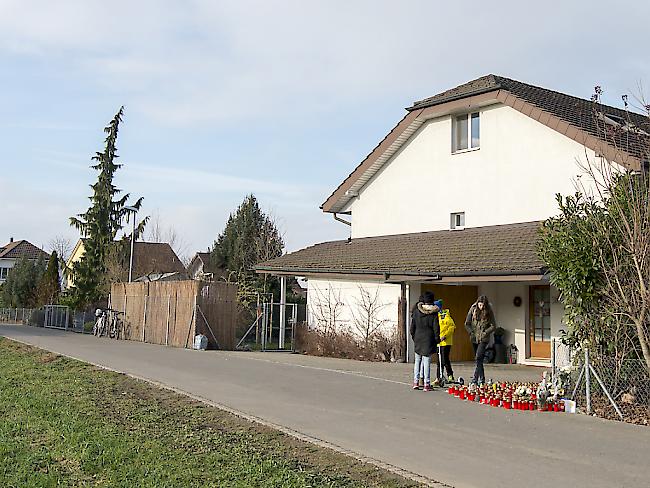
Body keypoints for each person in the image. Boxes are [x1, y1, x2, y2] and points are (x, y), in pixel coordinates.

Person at [410, 291, 440, 391]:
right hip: (429, 339)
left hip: (418, 338)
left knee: (417, 361)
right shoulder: (434, 313)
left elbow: (412, 327)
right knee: (426, 361)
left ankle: (416, 382)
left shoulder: (416, 312)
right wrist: (437, 340)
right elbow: (436, 328)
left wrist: (414, 337)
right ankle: (427, 384)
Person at [464, 295, 496, 385]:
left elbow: (493, 325)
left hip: (483, 338)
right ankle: (482, 379)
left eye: (482, 305)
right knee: (479, 360)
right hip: (474, 337)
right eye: (480, 305)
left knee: (478, 357)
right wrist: (471, 332)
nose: (481, 307)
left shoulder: (489, 311)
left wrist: (485, 333)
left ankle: (475, 379)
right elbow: (467, 323)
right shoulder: (473, 309)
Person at [434, 299, 456, 384]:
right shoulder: (435, 316)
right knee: (440, 360)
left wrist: (445, 335)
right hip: (438, 341)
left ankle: (447, 376)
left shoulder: (445, 316)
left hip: (446, 341)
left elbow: (452, 327)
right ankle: (441, 377)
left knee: (443, 359)